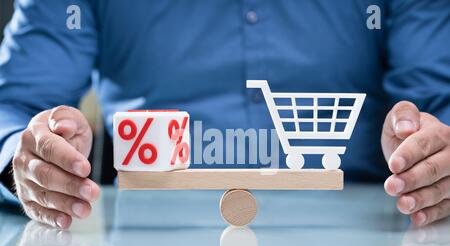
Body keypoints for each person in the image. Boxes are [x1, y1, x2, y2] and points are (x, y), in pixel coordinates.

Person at [0, 1, 449, 229]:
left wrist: (431, 150)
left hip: (382, 237)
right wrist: (26, 159)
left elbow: (437, 105)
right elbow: (15, 107)